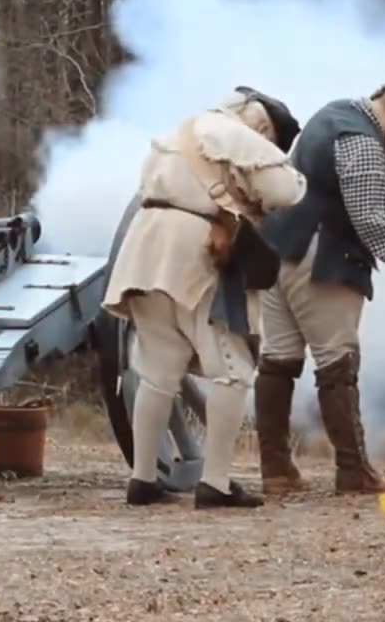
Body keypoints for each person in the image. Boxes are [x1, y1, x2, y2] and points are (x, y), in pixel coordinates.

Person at [255, 77, 385, 495]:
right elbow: (382, 235)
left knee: (278, 360)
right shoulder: (362, 142)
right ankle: (354, 472)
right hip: (322, 259)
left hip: (277, 249)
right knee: (338, 363)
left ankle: (277, 472)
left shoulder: (330, 115)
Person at [103, 86, 307, 509]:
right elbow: (286, 192)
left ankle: (143, 478)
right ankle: (215, 482)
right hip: (194, 249)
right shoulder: (240, 136)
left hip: (146, 244)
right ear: (264, 126)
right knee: (232, 368)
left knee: (158, 370)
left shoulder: (177, 135)